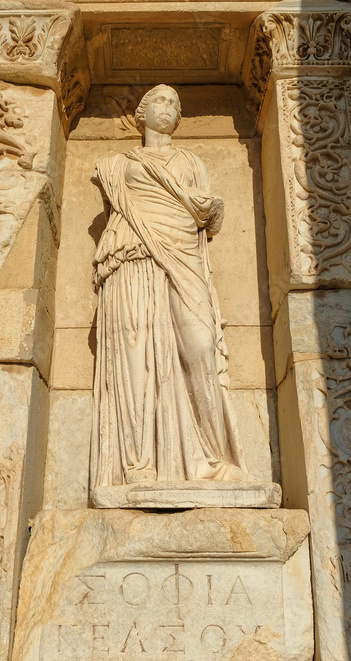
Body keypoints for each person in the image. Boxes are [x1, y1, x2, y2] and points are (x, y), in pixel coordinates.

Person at [90, 85, 251, 490]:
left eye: (174, 104)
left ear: (179, 118)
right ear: (141, 113)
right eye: (159, 101)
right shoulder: (113, 164)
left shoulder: (191, 162)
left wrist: (208, 208)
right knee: (135, 355)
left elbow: (207, 216)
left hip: (184, 256)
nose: (168, 107)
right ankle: (137, 465)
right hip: (130, 256)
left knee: (199, 346)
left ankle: (215, 458)